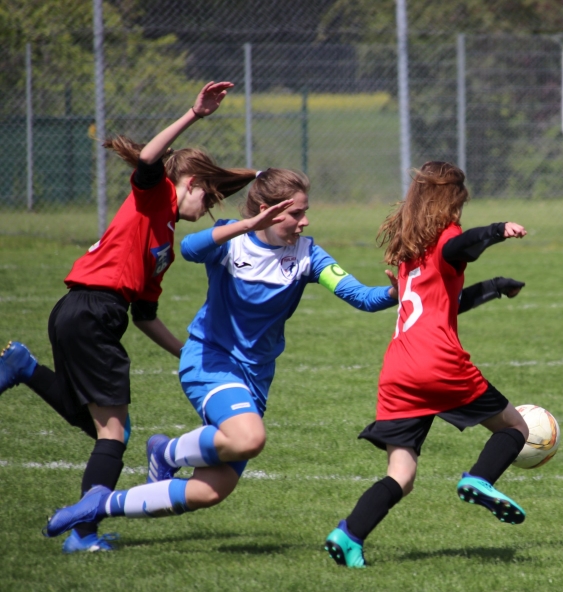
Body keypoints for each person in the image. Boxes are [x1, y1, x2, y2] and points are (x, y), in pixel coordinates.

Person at [43, 168, 400, 541]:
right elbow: (190, 248)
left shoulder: (307, 255)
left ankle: (98, 504)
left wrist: (393, 293)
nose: (305, 221)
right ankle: (168, 454)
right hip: (211, 362)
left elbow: (361, 297)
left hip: (255, 378)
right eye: (296, 213)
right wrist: (245, 226)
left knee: (209, 491)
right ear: (266, 211)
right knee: (249, 439)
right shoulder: (232, 240)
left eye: (304, 212)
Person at [0, 81, 258, 553]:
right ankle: (83, 534)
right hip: (92, 312)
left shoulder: (164, 244)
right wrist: (194, 114)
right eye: (208, 198)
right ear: (189, 183)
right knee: (114, 433)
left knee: (93, 423)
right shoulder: (156, 196)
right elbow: (149, 159)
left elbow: (146, 315)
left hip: (83, 314)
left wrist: (189, 354)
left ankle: (25, 368)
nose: (208, 210)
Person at [323, 161, 529, 568]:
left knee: (401, 474)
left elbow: (444, 305)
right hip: (438, 363)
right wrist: (497, 230)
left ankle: (349, 535)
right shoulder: (447, 239)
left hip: (398, 370)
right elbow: (462, 245)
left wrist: (493, 287)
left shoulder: (411, 254)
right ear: (453, 200)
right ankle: (480, 479)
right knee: (515, 427)